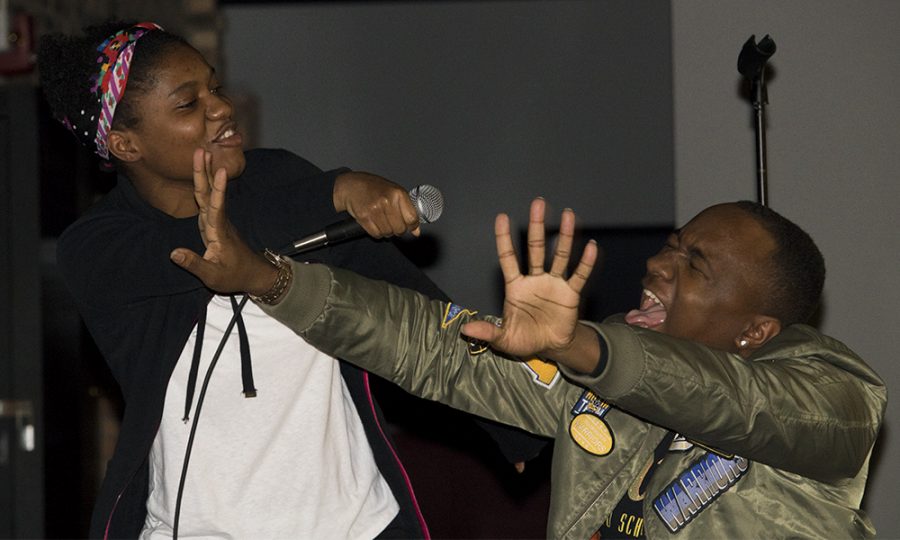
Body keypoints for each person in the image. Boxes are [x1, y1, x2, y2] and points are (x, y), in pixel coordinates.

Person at [171, 157, 886, 539]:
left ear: (756, 330)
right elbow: (439, 349)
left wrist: (586, 348)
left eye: (693, 265)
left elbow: (740, 404)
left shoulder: (833, 398)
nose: (658, 268)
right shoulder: (598, 379)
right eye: (669, 248)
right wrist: (268, 279)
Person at [37, 21, 541, 539]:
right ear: (125, 145)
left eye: (215, 87)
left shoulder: (280, 179)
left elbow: (415, 311)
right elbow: (205, 242)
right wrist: (338, 190)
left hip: (354, 523)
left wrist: (506, 416)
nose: (221, 108)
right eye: (189, 104)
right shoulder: (96, 245)